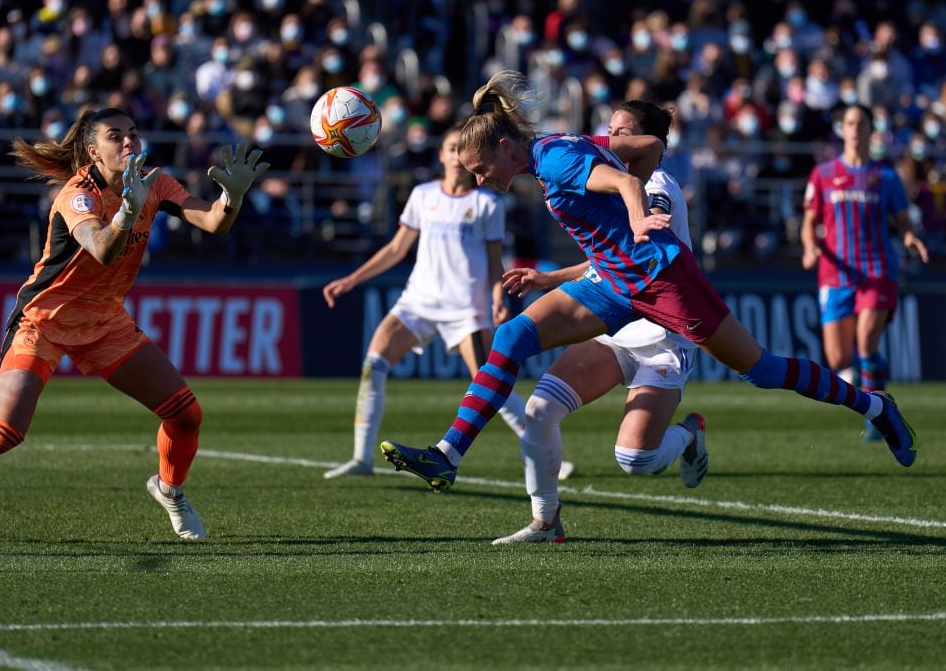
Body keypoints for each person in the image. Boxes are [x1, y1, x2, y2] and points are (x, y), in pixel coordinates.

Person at [380, 71, 918, 531]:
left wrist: (637, 214)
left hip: (663, 282)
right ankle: (447, 455)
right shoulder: (559, 149)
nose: (479, 179)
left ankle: (874, 405)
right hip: (614, 284)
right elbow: (642, 150)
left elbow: (627, 183)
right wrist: (565, 268)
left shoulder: (555, 161)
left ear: (503, 147)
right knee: (512, 336)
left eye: (480, 169)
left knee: (763, 369)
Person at [0, 107, 270, 542]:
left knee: (186, 415)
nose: (129, 142)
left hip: (105, 321)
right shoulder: (77, 194)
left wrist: (232, 198)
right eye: (115, 136)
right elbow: (102, 249)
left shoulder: (156, 183)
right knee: (4, 433)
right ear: (93, 151)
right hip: (45, 320)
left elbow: (215, 222)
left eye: (133, 133)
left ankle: (170, 490)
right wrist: (128, 209)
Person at [493, 100, 706, 544]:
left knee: (635, 459)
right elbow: (608, 262)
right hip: (616, 326)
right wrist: (552, 278)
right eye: (610, 129)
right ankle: (546, 520)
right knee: (540, 410)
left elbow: (643, 245)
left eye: (622, 132)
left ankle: (687, 435)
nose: (611, 139)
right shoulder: (610, 176)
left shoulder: (657, 184)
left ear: (649, 143)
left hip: (662, 333)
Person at [321, 124, 576, 480]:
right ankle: (362, 458)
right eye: (450, 148)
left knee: (489, 383)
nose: (456, 156)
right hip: (418, 301)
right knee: (374, 364)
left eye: (461, 149)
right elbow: (396, 249)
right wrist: (351, 280)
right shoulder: (423, 195)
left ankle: (549, 454)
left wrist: (497, 297)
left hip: (465, 308)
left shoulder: (486, 202)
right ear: (440, 155)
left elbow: (493, 261)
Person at [801, 105, 929, 442]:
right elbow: (809, 223)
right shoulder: (823, 174)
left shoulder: (886, 177)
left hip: (876, 270)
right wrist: (810, 246)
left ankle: (878, 417)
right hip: (834, 273)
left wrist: (910, 237)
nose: (855, 129)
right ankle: (877, 401)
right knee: (839, 359)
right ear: (842, 129)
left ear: (872, 130)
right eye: (851, 123)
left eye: (862, 123)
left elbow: (902, 222)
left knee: (868, 338)